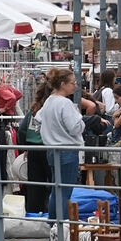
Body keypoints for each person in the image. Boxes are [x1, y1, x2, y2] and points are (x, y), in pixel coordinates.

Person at [34, 68, 85, 221]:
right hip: (67, 149)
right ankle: (62, 226)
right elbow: (75, 127)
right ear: (63, 84)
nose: (75, 86)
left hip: (51, 149)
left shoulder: (50, 100)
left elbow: (38, 118)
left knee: (56, 190)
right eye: (72, 83)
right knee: (64, 191)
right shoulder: (65, 103)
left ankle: (54, 225)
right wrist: (80, 118)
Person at [18, 82, 53, 213]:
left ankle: (32, 213)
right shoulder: (52, 108)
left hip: (32, 149)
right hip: (48, 147)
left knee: (34, 184)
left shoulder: (33, 109)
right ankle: (50, 212)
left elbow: (22, 129)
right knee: (52, 182)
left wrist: (25, 147)